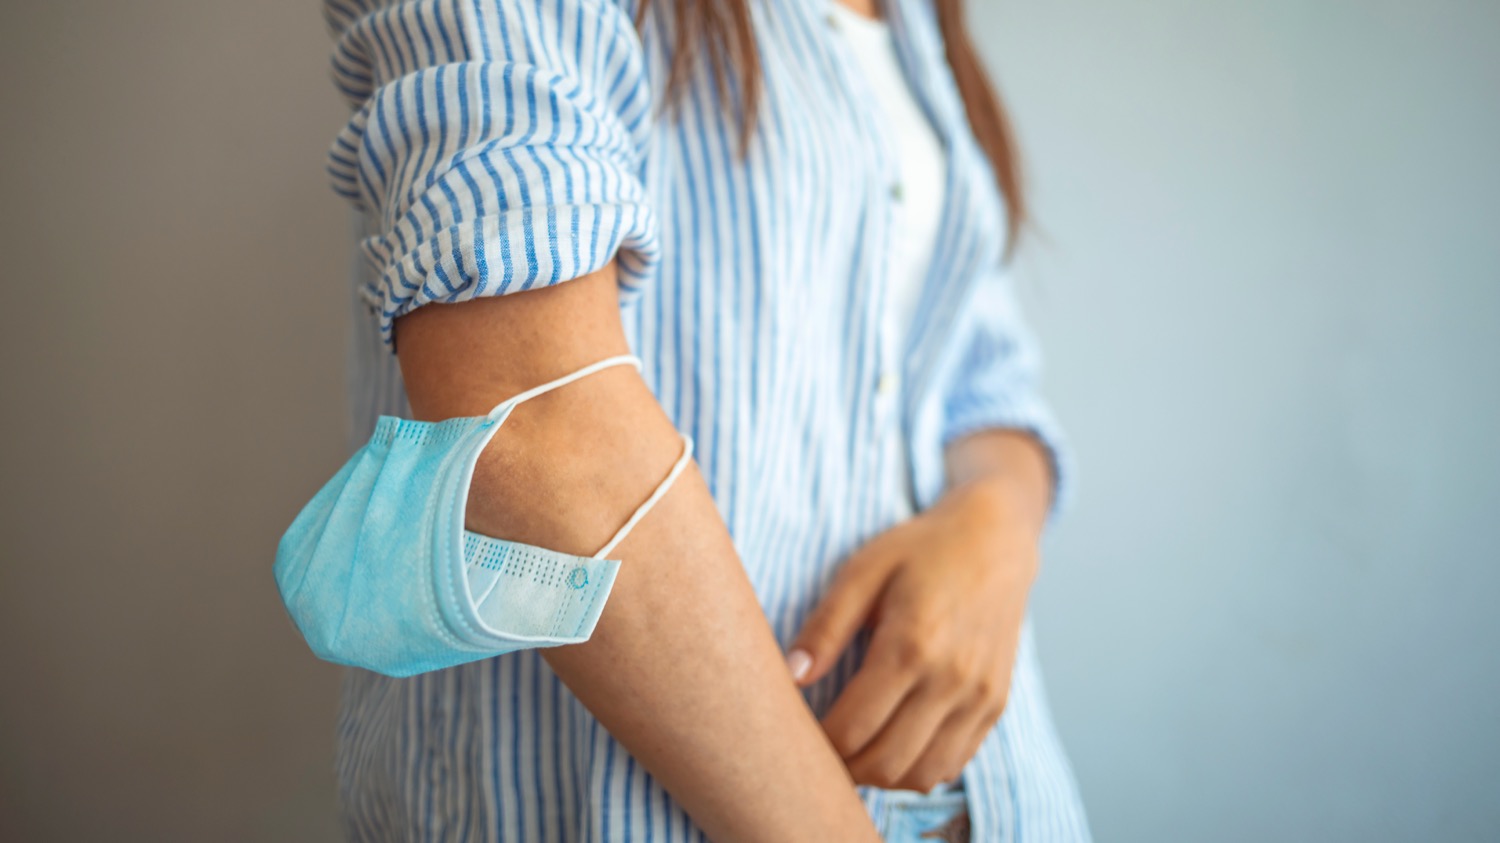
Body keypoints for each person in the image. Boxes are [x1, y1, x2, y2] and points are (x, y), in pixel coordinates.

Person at [317, 0, 1091, 839]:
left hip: (1003, 790)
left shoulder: (918, 23)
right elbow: (530, 424)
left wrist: (993, 529)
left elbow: (983, 374)